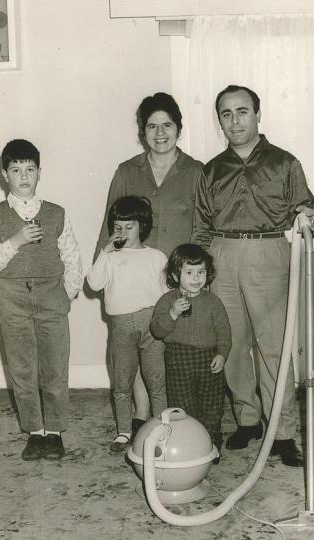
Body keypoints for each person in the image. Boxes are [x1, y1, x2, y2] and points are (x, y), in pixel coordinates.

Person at [192, 84, 314, 467]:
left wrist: (309, 219)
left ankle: (281, 433)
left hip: (269, 253)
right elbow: (201, 226)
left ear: (258, 114)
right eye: (226, 114)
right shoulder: (212, 169)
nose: (234, 121)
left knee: (274, 347)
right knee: (230, 345)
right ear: (219, 120)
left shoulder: (285, 163)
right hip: (222, 253)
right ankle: (248, 420)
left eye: (242, 111)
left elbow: (311, 215)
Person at [94, 92, 203, 433]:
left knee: (172, 347)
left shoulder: (197, 172)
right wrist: (105, 266)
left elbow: (202, 228)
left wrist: (198, 277)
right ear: (142, 132)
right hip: (131, 280)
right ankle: (141, 412)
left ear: (178, 128)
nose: (159, 133)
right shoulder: (127, 171)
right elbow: (109, 226)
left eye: (167, 125)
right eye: (151, 126)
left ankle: (179, 417)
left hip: (177, 280)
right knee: (135, 346)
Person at [0, 139, 83, 461]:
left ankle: (54, 432)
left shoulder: (56, 213)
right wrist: (16, 240)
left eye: (30, 169)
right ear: (4, 175)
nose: (24, 176)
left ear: (40, 173)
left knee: (54, 367)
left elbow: (72, 256)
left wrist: (68, 291)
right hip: (10, 298)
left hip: (51, 296)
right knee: (22, 370)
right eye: (16, 170)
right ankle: (35, 433)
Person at [87, 195, 168, 452]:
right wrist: (104, 252)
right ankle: (124, 432)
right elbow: (94, 283)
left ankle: (161, 430)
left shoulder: (156, 257)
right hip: (121, 327)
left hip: (151, 326)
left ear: (142, 227)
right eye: (117, 227)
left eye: (129, 227)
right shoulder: (110, 257)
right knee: (122, 383)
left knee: (156, 381)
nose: (122, 232)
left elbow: (167, 292)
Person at [150, 244, 232, 453]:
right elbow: (157, 331)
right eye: (189, 272)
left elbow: (224, 332)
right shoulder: (167, 300)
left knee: (211, 404)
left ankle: (211, 443)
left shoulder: (213, 301)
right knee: (182, 404)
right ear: (176, 276)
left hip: (208, 359)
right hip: (179, 359)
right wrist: (172, 314)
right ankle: (187, 444)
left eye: (201, 272)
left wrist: (222, 354)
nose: (196, 278)